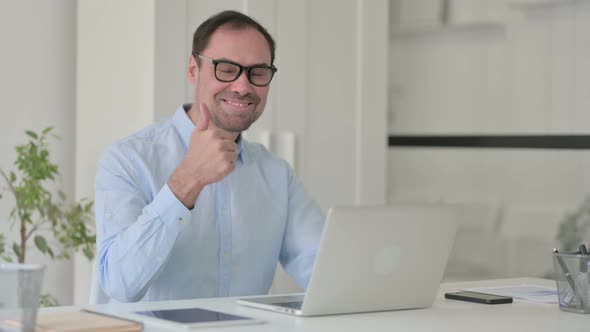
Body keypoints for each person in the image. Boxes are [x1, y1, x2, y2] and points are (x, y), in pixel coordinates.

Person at [94, 10, 325, 303]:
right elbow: (119, 284)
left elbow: (324, 269)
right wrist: (187, 181)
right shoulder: (127, 160)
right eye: (227, 69)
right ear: (193, 69)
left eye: (258, 72)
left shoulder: (277, 174)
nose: (243, 86)